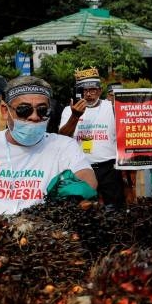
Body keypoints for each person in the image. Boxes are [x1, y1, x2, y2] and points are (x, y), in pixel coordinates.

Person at [0, 76, 96, 240]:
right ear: (6, 111)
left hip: (43, 251)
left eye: (42, 110)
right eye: (24, 110)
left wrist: (77, 187)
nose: (34, 117)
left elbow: (86, 177)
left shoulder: (64, 146)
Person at [59, 68, 123, 206]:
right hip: (80, 168)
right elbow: (62, 137)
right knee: (83, 208)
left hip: (108, 168)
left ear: (100, 91)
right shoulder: (69, 110)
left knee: (114, 209)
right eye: (84, 90)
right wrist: (75, 116)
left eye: (92, 90)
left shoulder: (110, 107)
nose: (88, 94)